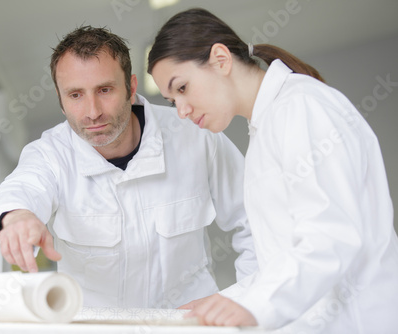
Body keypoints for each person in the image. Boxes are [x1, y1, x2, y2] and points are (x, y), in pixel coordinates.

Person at [147, 7, 398, 333]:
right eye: (171, 100)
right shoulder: (267, 127)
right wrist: (227, 300)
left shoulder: (300, 107)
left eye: (181, 88)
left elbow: (330, 236)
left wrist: (251, 306)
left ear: (221, 59)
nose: (181, 110)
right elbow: (283, 259)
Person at [0, 26, 257, 309]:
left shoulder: (195, 135)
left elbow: (253, 220)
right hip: (94, 328)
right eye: (75, 95)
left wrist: (243, 302)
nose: (92, 111)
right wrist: (17, 217)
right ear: (60, 99)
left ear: (131, 87)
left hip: (185, 325)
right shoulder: (51, 155)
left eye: (105, 90)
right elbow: (21, 189)